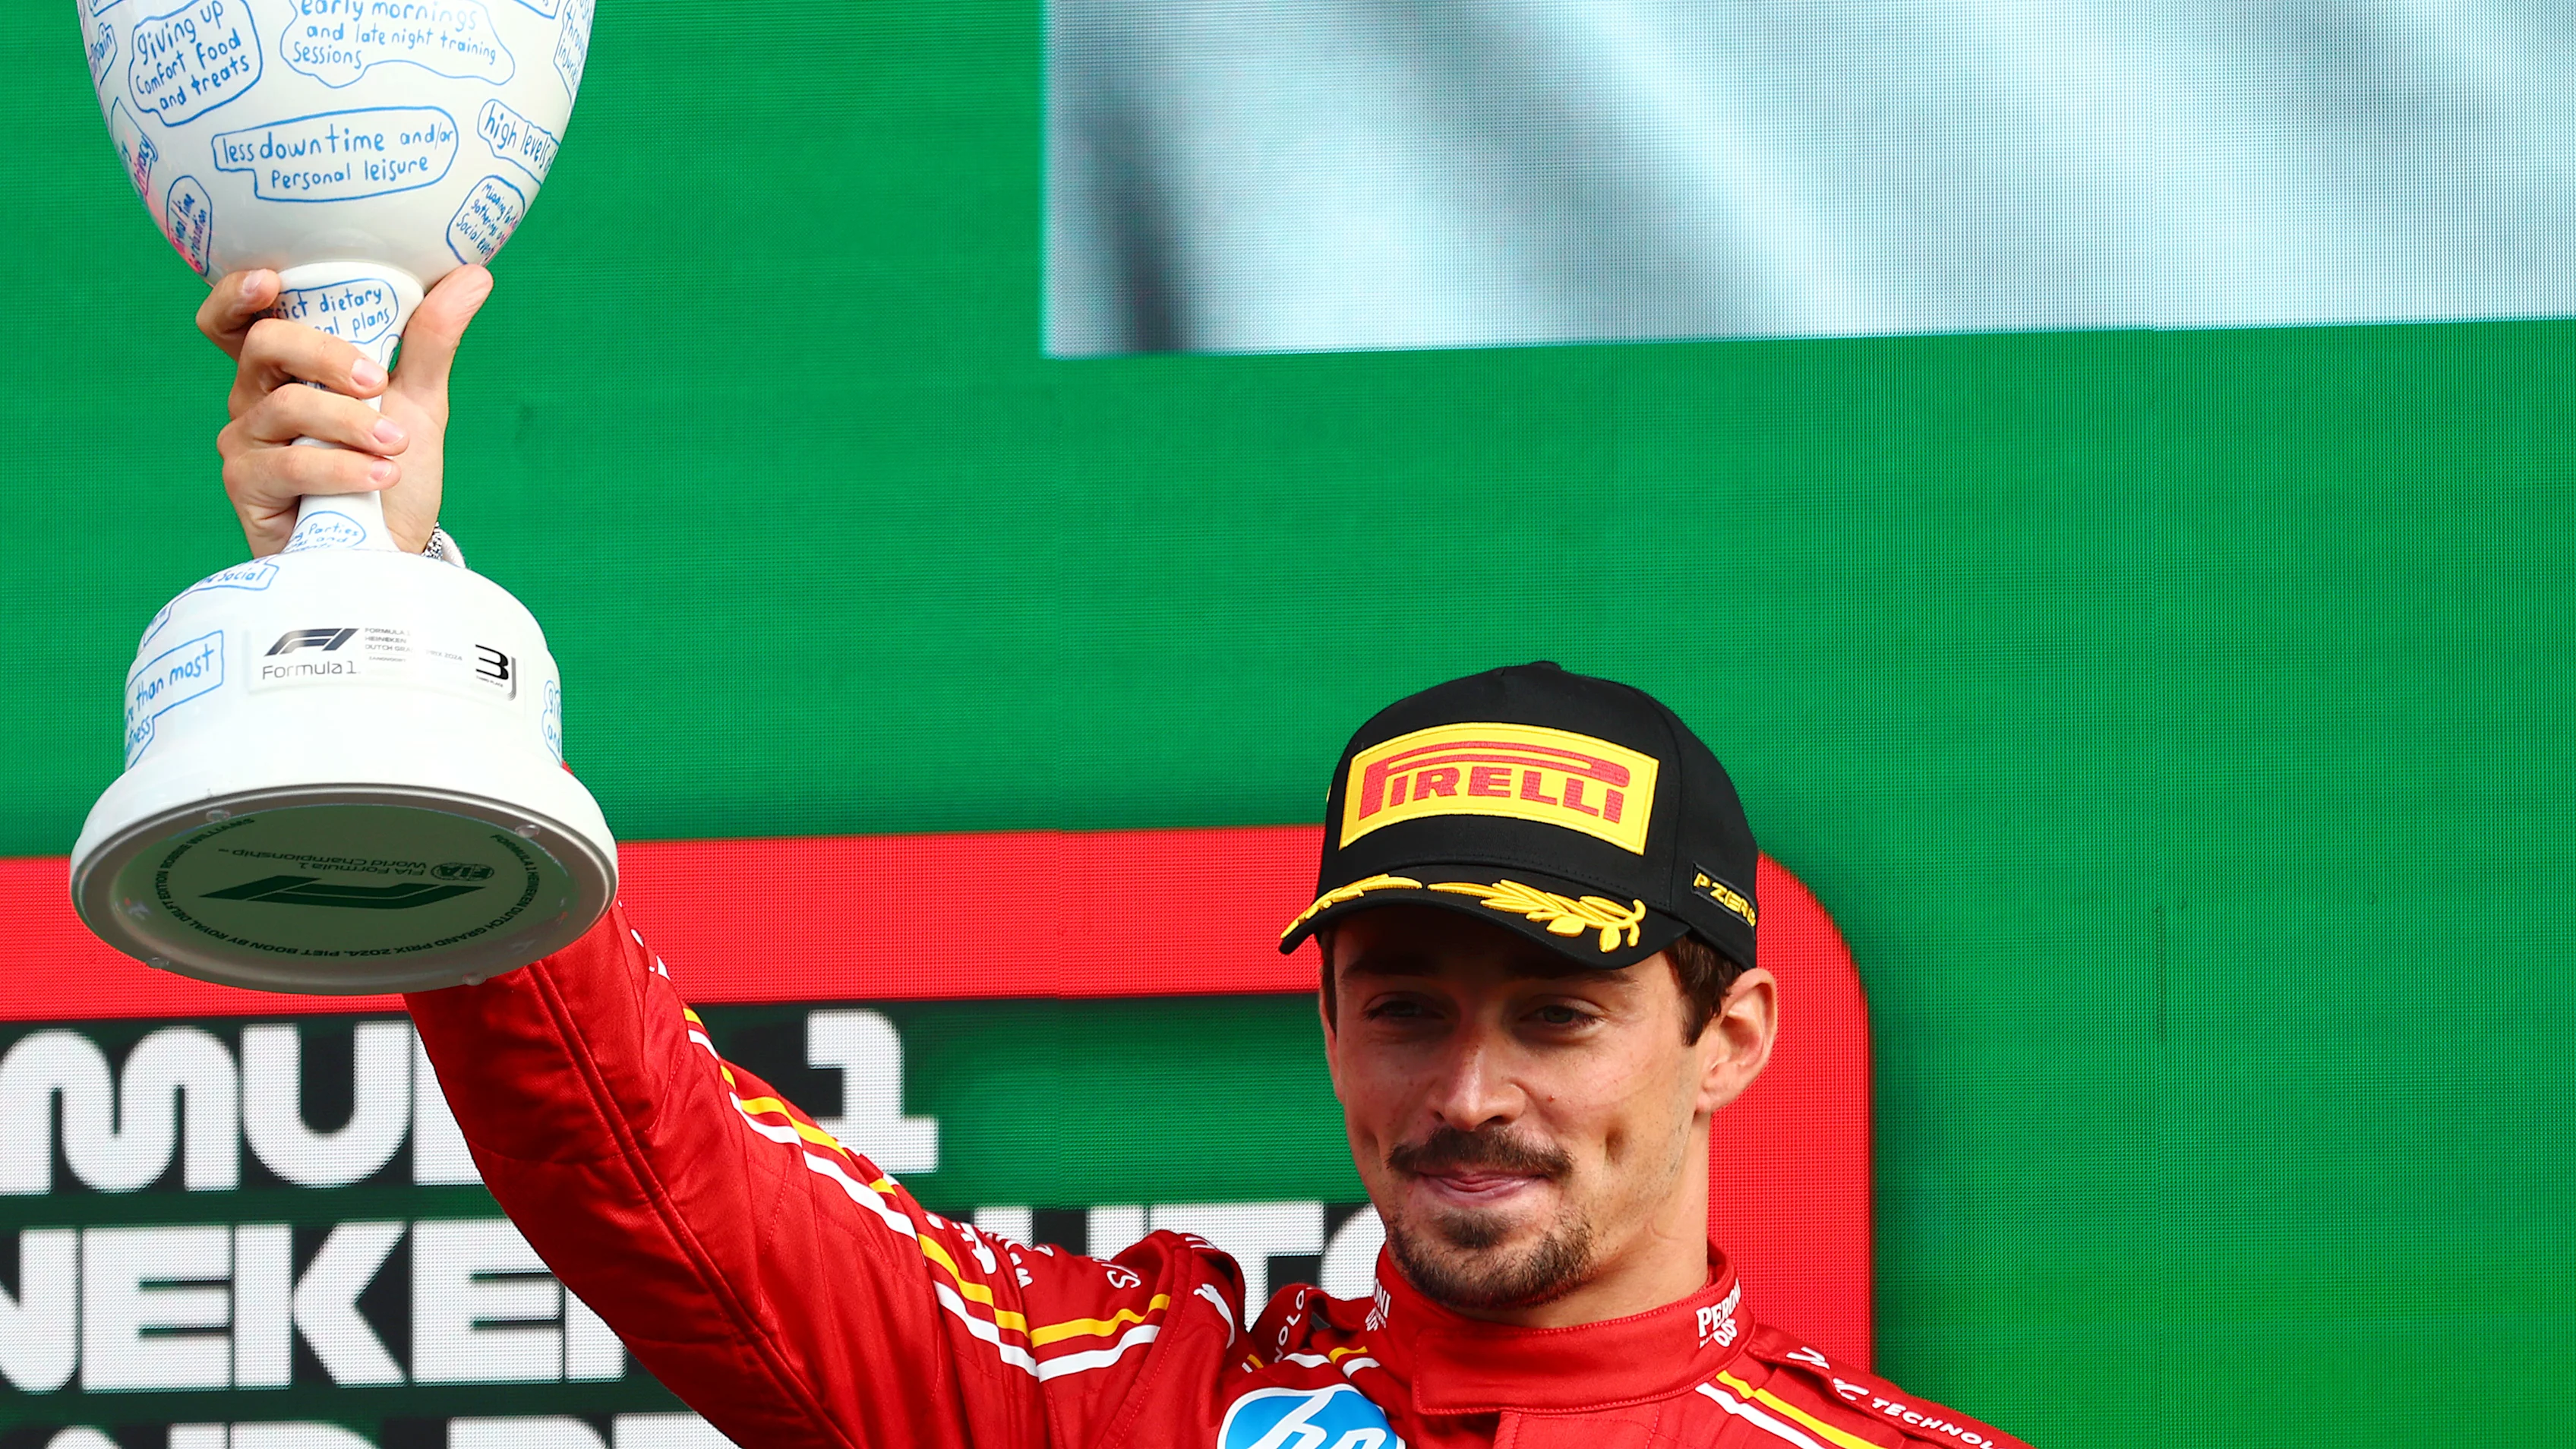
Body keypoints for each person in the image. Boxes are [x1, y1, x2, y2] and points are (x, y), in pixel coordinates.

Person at [196, 268, 2031, 1449]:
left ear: (1731, 1036)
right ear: (1325, 1026)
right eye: (1402, 1008)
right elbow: (661, 1171)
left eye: (1557, 1016)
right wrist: (386, 624)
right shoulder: (1130, 1405)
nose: (1468, 1092)